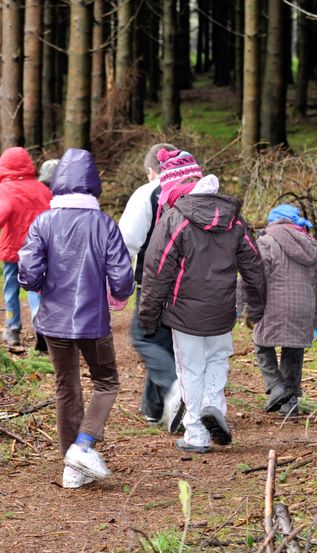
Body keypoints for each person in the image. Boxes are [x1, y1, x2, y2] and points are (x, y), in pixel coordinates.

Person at [18, 149, 134, 489]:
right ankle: (82, 447)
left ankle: (72, 465)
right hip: (92, 322)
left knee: (65, 387)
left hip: (52, 321)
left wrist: (42, 286)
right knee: (107, 382)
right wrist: (117, 296)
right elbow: (123, 277)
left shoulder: (43, 221)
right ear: (93, 184)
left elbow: (27, 272)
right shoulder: (103, 224)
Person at [138, 149, 266, 454]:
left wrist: (147, 316)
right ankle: (213, 405)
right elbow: (254, 267)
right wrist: (256, 305)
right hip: (223, 310)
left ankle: (196, 432)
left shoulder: (174, 220)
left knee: (190, 370)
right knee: (218, 360)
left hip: (184, 315)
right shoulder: (233, 219)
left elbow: (157, 273)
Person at [117, 143, 180, 430]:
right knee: (166, 342)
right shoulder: (198, 188)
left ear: (151, 171)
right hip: (193, 280)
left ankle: (174, 389)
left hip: (154, 278)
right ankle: (153, 408)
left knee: (144, 337)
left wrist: (117, 280)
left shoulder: (148, 193)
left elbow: (126, 241)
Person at [248, 204, 317, 418]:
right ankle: (289, 401)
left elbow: (256, 279)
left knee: (262, 344)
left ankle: (276, 386)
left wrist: (249, 306)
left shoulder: (266, 242)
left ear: (274, 221)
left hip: (273, 306)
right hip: (304, 308)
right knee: (293, 350)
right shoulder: (312, 245)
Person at [0, 147, 53, 350]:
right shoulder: (41, 189)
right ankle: (40, 319)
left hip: (14, 250)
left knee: (11, 289)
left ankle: (12, 328)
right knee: (36, 287)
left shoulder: (4, 190)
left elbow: (0, 213)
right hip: (39, 249)